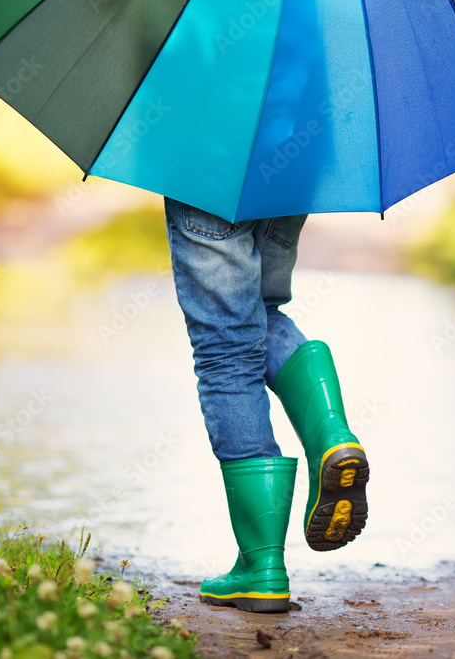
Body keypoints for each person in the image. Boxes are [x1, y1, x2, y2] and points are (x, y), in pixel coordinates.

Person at [163, 197, 370, 614]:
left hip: (209, 167)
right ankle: (331, 434)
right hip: (289, 159)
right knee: (261, 310)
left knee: (226, 345)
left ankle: (262, 566)